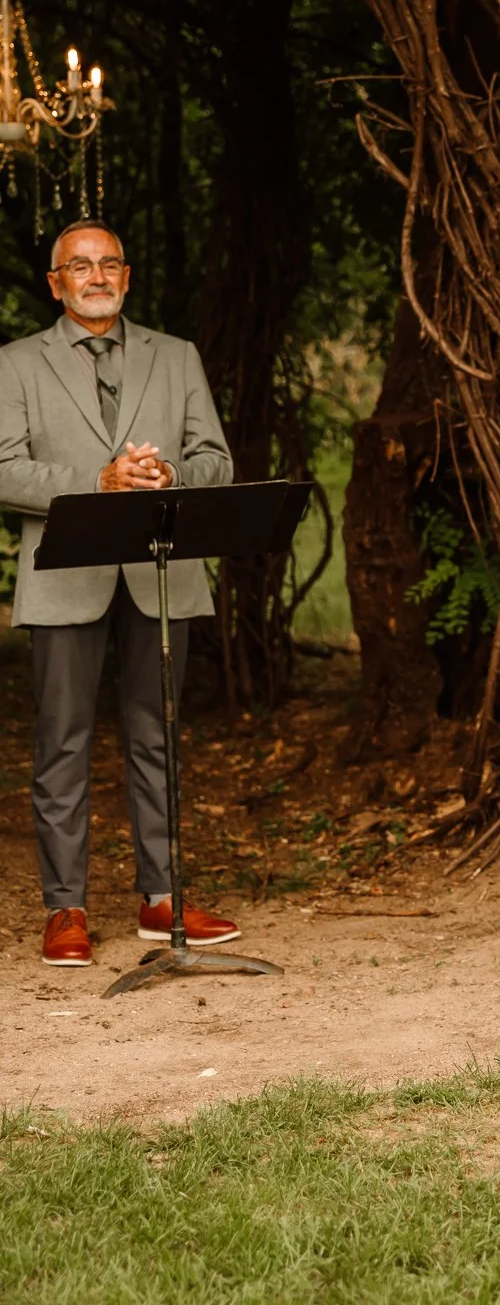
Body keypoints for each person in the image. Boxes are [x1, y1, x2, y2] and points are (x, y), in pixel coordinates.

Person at [0, 220, 238, 967]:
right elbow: (2, 469)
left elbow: (216, 461)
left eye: (108, 265)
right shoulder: (15, 364)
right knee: (61, 746)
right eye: (80, 266)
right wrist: (95, 482)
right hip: (64, 578)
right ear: (56, 283)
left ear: (127, 278)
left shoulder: (178, 356)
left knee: (158, 739)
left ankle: (162, 898)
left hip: (160, 573)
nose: (96, 276)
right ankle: (64, 908)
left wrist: (172, 479)